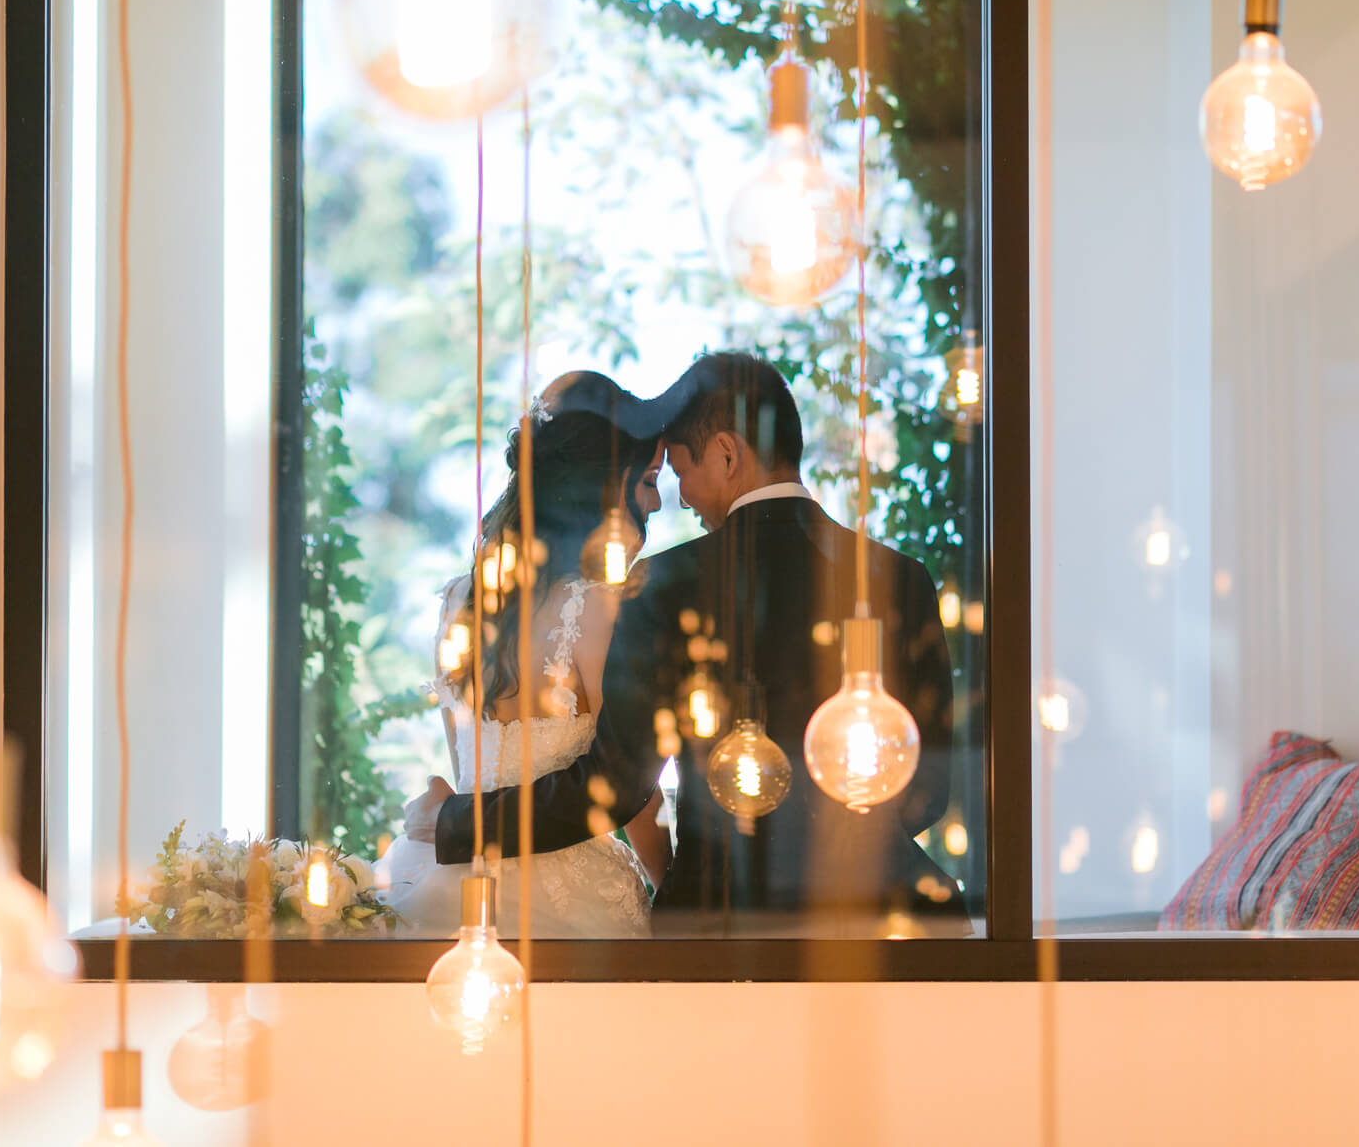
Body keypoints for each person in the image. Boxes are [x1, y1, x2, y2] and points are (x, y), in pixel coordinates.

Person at [407, 351, 964, 934]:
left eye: (677, 472)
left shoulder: (662, 586)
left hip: (721, 917)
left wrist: (455, 823)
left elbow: (616, 784)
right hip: (888, 918)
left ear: (727, 454)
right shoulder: (901, 577)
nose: (679, 498)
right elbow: (928, 790)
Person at [374, 371, 684, 938]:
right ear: (605, 487)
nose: (657, 502)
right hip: (576, 908)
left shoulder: (457, 603)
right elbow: (626, 787)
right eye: (647, 480)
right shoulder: (605, 611)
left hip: (452, 882)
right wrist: (672, 890)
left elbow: (468, 770)